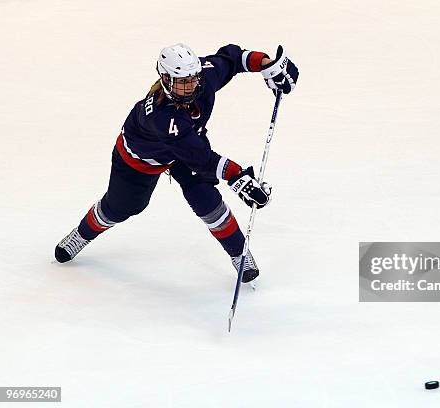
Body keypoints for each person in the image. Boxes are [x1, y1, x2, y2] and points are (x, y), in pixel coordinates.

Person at [54, 43, 299, 283]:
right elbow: (201, 158)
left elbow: (233, 58)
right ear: (165, 79)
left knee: (204, 197)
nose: (189, 86)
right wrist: (237, 176)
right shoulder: (161, 115)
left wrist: (268, 65)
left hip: (186, 145)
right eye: (182, 81)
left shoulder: (202, 77)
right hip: (140, 160)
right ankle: (81, 235)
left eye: (192, 79)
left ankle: (239, 254)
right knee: (121, 208)